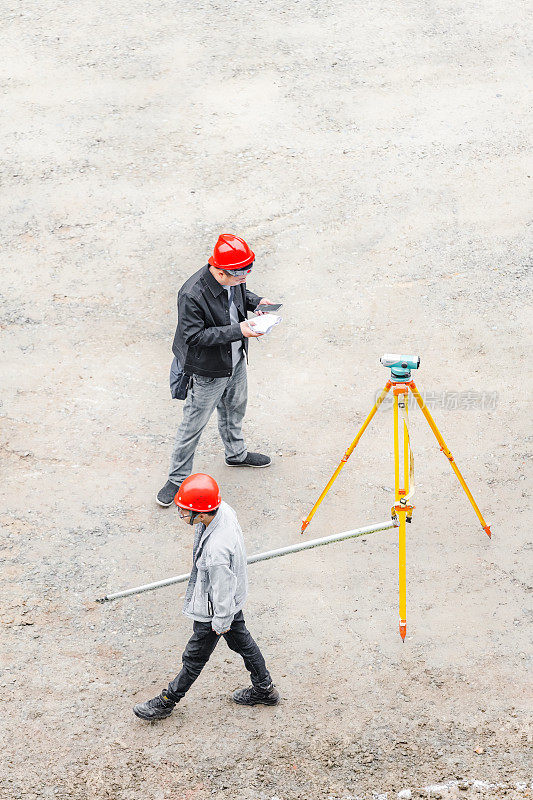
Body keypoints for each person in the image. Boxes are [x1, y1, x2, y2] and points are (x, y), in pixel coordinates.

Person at [134, 473, 279, 720]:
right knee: (242, 643)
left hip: (216, 609)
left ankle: (166, 702)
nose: (182, 514)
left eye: (185, 511)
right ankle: (265, 689)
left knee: (194, 656)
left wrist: (221, 621)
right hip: (229, 601)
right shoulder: (223, 510)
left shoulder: (216, 552)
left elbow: (222, 589)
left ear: (201, 514)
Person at [157, 233, 275, 507]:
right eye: (239, 275)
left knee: (235, 409)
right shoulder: (192, 294)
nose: (244, 278)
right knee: (193, 424)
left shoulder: (234, 278)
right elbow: (194, 337)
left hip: (234, 360)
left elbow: (240, 295)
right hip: (207, 370)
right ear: (220, 272)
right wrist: (240, 330)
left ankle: (236, 454)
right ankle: (177, 478)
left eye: (248, 272)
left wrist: (257, 302)